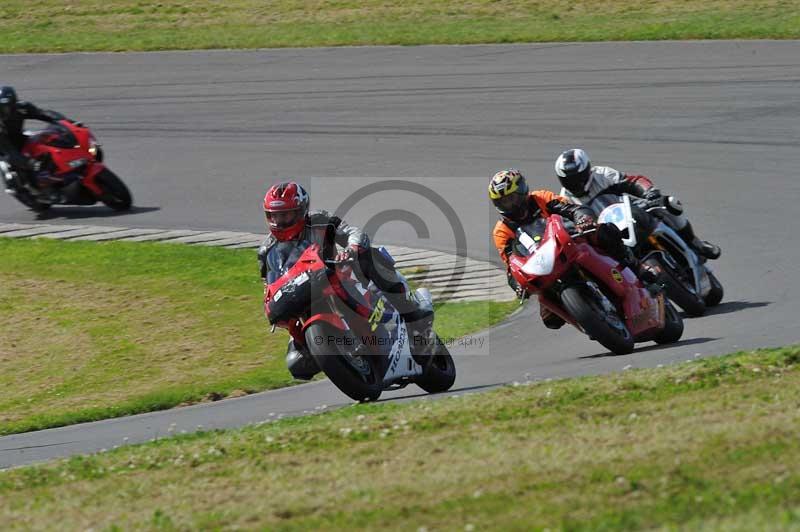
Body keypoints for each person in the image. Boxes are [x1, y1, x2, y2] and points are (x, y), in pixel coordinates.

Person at [258, 181, 433, 379]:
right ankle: (341, 358)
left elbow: (353, 233)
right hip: (304, 298)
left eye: (285, 215)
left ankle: (413, 314)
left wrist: (351, 249)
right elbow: (270, 285)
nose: (279, 221)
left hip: (339, 276)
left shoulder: (320, 220)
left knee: (371, 256)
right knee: (296, 363)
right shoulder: (266, 251)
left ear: (301, 210)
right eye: (274, 216)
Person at [489, 168, 654, 330]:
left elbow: (569, 208)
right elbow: (511, 264)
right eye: (503, 202)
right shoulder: (501, 231)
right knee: (550, 318)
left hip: (568, 242)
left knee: (603, 232)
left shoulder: (541, 197)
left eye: (512, 199)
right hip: (541, 266)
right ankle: (589, 317)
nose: (510, 205)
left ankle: (635, 265)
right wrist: (516, 284)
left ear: (522, 190)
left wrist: (582, 218)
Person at [554, 148, 720, 260]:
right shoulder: (565, 200)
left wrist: (650, 192)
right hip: (609, 234)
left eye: (576, 178)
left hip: (630, 211)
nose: (574, 183)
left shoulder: (601, 175)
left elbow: (633, 181)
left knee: (670, 204)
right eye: (568, 180)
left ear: (587, 170)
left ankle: (696, 243)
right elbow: (570, 226)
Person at [0, 86, 68, 199]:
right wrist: (30, 163)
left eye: (4, 107)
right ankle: (34, 190)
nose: (2, 111)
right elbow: (10, 152)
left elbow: (42, 114)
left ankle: (59, 173)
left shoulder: (21, 107)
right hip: (5, 147)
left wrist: (64, 122)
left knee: (46, 144)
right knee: (13, 168)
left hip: (20, 137)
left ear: (13, 103)